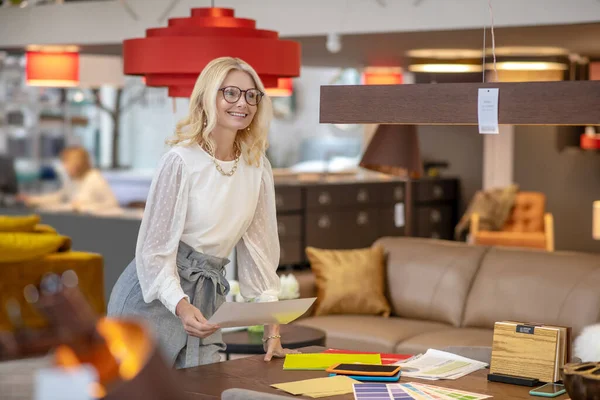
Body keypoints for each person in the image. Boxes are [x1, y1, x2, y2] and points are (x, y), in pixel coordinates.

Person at [107, 57, 298, 369]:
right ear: (209, 97)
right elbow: (154, 253)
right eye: (231, 93)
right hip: (151, 301)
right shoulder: (180, 161)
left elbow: (260, 253)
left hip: (208, 296)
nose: (243, 103)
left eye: (252, 95)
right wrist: (181, 306)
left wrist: (272, 333)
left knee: (206, 387)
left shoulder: (257, 166)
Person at [19, 146, 119, 213]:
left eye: (66, 162)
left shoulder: (94, 178)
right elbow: (60, 197)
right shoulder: (74, 180)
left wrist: (84, 207)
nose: (64, 167)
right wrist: (32, 200)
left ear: (77, 163)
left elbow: (112, 205)